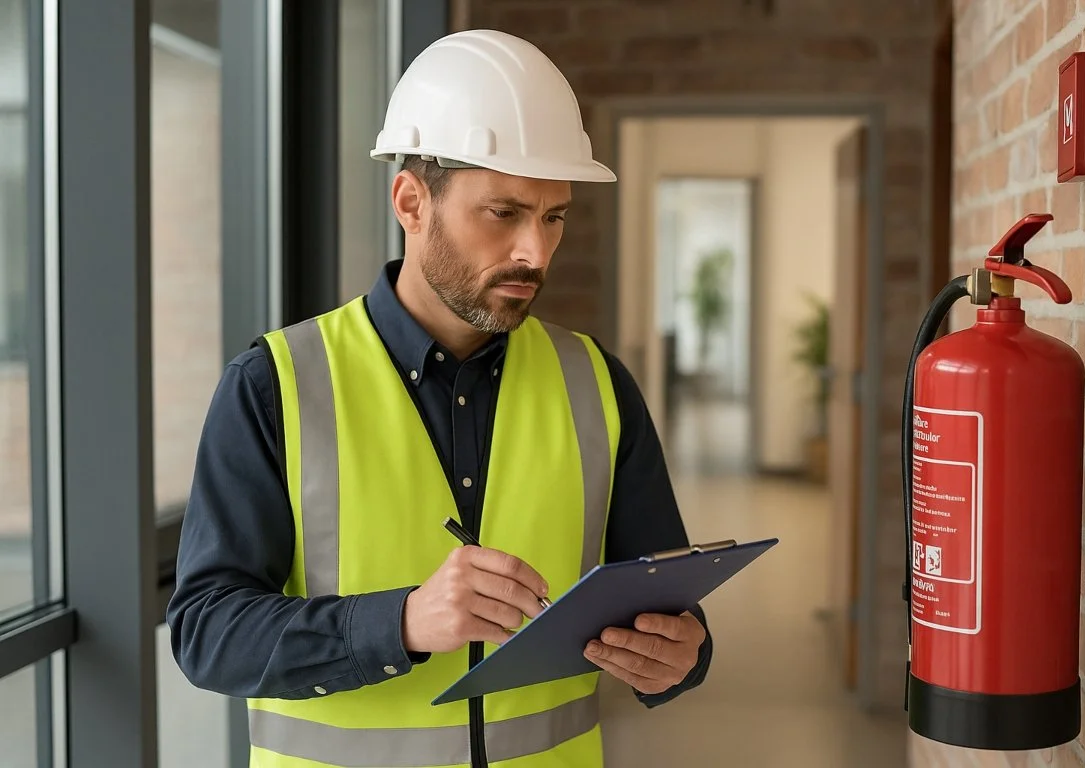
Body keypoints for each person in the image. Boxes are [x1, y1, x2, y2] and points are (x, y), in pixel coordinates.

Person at [167, 28, 712, 768]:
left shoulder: (597, 382)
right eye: (504, 213)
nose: (536, 252)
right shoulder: (275, 384)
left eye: (554, 216)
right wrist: (402, 622)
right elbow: (207, 633)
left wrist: (684, 655)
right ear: (411, 200)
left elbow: (664, 605)